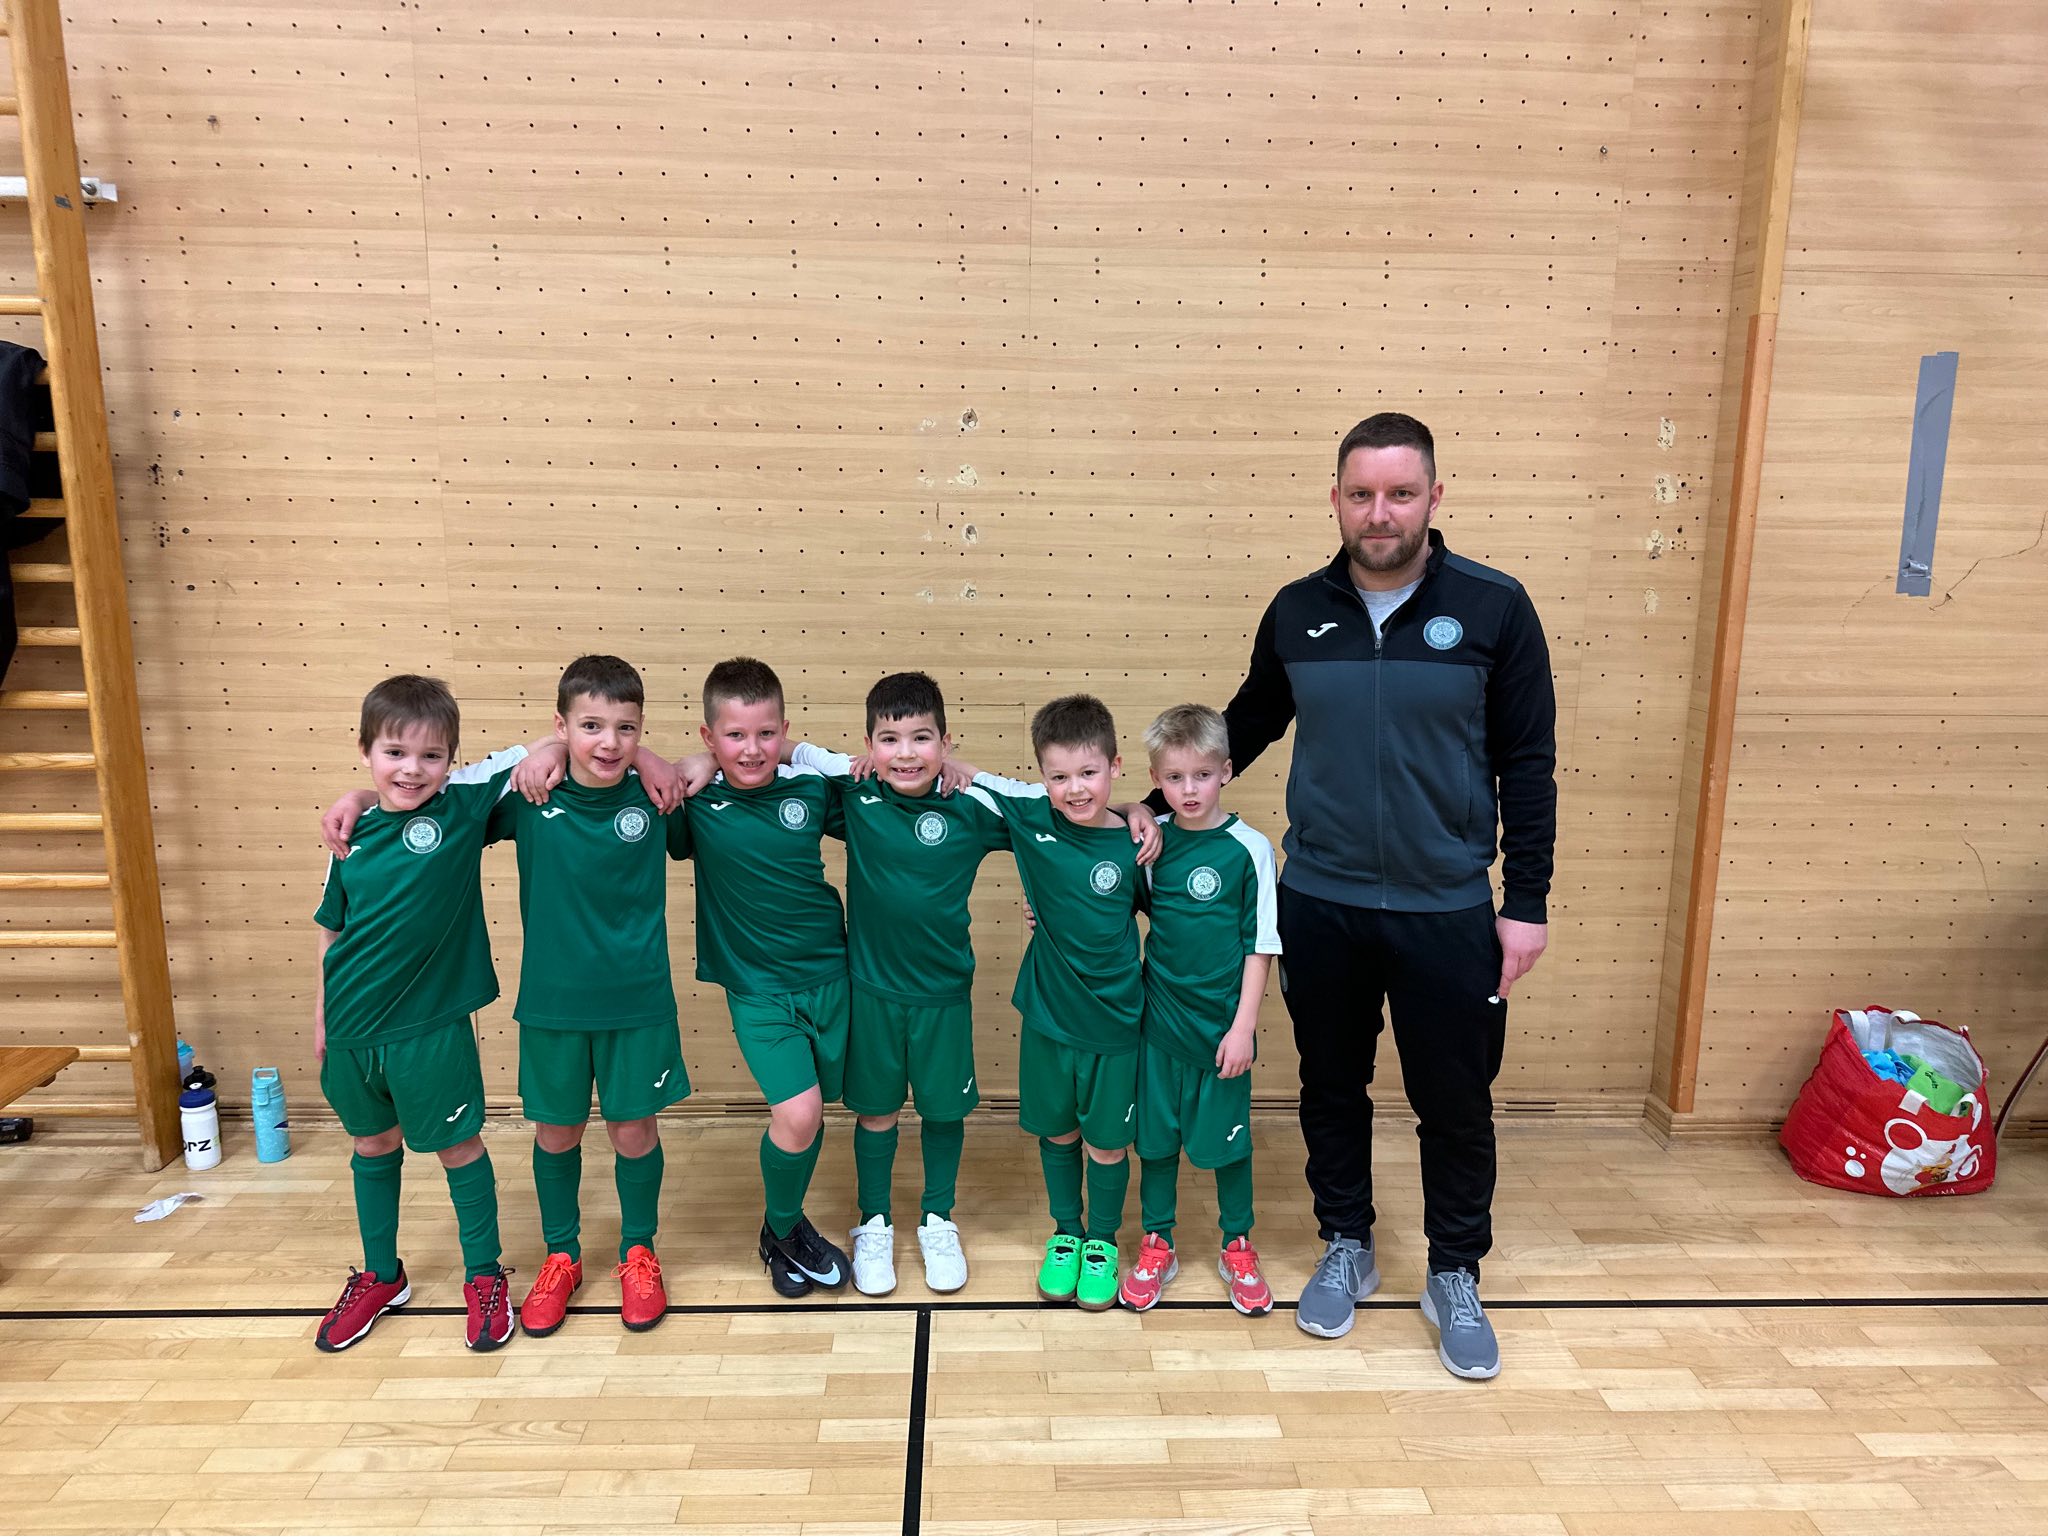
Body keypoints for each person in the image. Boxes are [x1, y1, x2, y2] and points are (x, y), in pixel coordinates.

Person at [1193, 412, 1557, 1378]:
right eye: (1362, 494)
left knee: (1455, 1101)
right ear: (1336, 499)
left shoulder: (1495, 608)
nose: (1380, 512)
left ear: (1435, 496)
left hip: (1448, 908)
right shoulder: (1297, 610)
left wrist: (1526, 900)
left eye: (1400, 492)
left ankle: (1454, 1270)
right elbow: (1246, 725)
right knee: (1329, 1085)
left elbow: (1529, 763)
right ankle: (1345, 1241)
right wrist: (1148, 809)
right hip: (1321, 901)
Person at [321, 657, 690, 1337]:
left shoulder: (655, 795)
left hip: (638, 1003)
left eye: (626, 729)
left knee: (635, 1131)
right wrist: (360, 796)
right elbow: (422, 796)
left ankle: (639, 1252)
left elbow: (729, 767)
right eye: (589, 726)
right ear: (561, 725)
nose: (609, 741)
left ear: (641, 730)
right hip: (550, 1004)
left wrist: (656, 759)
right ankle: (561, 1255)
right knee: (556, 1132)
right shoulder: (528, 796)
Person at [309, 675, 547, 1353]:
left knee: (458, 1147)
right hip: (352, 1030)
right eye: (394, 753)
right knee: (372, 1145)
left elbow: (540, 751)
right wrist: (323, 1018)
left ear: (451, 759)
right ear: (365, 751)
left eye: (431, 755)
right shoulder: (348, 836)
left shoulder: (460, 807)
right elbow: (331, 932)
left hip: (430, 1030)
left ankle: (484, 1275)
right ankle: (381, 1275)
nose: (411, 768)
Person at [776, 672, 1014, 1295]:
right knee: (877, 1112)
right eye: (889, 739)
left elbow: (1055, 809)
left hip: (943, 997)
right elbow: (787, 750)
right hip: (873, 993)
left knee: (942, 1112)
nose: (905, 753)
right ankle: (874, 1222)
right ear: (868, 746)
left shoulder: (971, 804)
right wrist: (695, 761)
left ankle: (938, 1219)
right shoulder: (856, 790)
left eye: (921, 738)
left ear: (945, 742)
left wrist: (1134, 811)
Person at [948, 696, 1151, 1313]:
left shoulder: (1140, 846)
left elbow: (1171, 925)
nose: (1075, 788)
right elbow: (962, 772)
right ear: (1042, 777)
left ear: (1115, 766)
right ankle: (1066, 1233)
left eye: (1089, 773)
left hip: (1115, 1021)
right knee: (1059, 1132)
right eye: (1059, 776)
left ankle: (1102, 1242)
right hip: (1048, 1017)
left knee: (1106, 1144)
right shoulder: (1031, 814)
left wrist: (1140, 809)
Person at [681, 657, 855, 1298]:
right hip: (757, 990)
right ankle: (781, 1232)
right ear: (709, 737)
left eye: (765, 734)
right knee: (799, 1112)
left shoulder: (810, 790)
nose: (751, 749)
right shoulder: (696, 801)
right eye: (734, 735)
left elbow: (887, 799)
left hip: (832, 974)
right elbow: (616, 777)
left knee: (813, 1114)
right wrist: (671, 764)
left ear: (785, 732)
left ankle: (786, 1223)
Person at [1118, 703, 1282, 1316]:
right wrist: (1042, 908)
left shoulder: (1250, 849)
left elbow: (1260, 945)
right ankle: (1157, 1243)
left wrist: (1244, 1029)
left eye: (1203, 775)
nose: (1189, 789)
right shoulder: (1151, 843)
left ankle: (1237, 1244)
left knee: (1228, 1145)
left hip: (1221, 1034)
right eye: (1174, 777)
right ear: (1156, 779)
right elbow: (1106, 892)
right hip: (1158, 1026)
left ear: (1227, 771)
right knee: (1156, 1143)